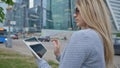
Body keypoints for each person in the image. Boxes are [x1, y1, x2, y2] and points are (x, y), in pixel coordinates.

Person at [37, 0, 115, 68]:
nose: (74, 15)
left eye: (77, 10)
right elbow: (78, 63)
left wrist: (40, 60)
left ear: (90, 11)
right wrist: (58, 55)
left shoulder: (83, 36)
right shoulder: (98, 35)